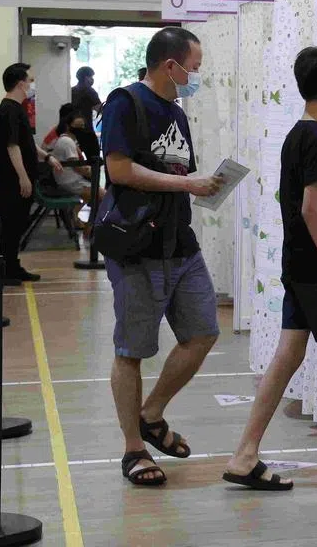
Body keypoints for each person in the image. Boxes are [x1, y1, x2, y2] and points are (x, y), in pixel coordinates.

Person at [223, 46, 317, 492]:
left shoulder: (296, 135)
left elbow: (308, 212)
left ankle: (245, 454)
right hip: (316, 272)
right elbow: (310, 210)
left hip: (300, 265)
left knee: (288, 356)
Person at [101, 27, 224, 487]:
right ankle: (134, 448)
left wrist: (203, 185)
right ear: (170, 66)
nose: (197, 75)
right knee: (131, 350)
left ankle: (151, 414)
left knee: (203, 332)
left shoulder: (177, 112)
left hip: (181, 244)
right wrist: (186, 183)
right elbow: (119, 170)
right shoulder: (125, 103)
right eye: (194, 67)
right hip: (138, 246)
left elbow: (178, 172)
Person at [0, 63, 63, 286]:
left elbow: (27, 143)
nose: (32, 84)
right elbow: (12, 146)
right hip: (11, 181)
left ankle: (12, 266)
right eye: (30, 80)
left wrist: (47, 157)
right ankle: (5, 270)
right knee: (10, 225)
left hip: (19, 178)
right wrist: (22, 177)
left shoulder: (18, 108)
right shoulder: (8, 110)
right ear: (20, 83)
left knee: (17, 224)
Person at [49, 111, 106, 208]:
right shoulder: (67, 142)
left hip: (68, 180)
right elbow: (77, 167)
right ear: (68, 126)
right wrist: (91, 171)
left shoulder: (66, 140)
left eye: (82, 126)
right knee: (105, 197)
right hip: (72, 182)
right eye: (78, 126)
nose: (81, 129)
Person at [71, 65, 102, 161]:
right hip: (86, 131)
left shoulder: (71, 91)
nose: (92, 79)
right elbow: (100, 109)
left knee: (75, 160)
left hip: (73, 131)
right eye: (91, 77)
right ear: (86, 78)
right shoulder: (90, 91)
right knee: (95, 159)